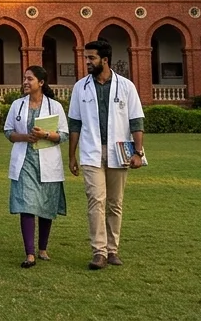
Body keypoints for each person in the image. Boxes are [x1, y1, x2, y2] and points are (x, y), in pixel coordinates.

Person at [67, 38, 145, 270]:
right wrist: (71, 156)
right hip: (91, 152)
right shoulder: (80, 87)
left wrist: (138, 152)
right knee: (96, 200)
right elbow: (74, 124)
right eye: (86, 57)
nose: (87, 62)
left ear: (105, 59)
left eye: (91, 58)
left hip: (119, 151)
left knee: (114, 203)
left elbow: (136, 120)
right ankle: (99, 251)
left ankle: (113, 250)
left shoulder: (126, 86)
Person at [3, 65, 68, 268]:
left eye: (29, 79)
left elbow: (64, 135)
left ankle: (43, 248)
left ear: (41, 83)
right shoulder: (17, 105)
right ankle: (30, 253)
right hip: (25, 161)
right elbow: (8, 131)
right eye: (24, 78)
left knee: (46, 206)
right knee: (27, 205)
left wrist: (45, 135)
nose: (25, 82)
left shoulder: (54, 107)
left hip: (47, 161)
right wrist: (26, 137)